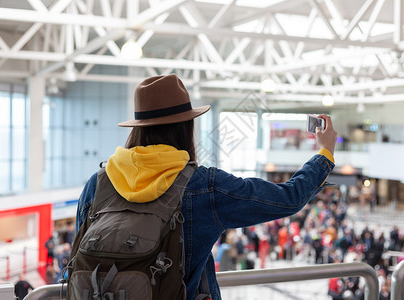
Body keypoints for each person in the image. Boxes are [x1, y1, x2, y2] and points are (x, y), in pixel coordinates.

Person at [75, 74, 337, 300]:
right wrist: (324, 154)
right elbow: (287, 198)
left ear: (138, 128)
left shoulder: (98, 183)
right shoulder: (204, 186)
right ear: (186, 127)